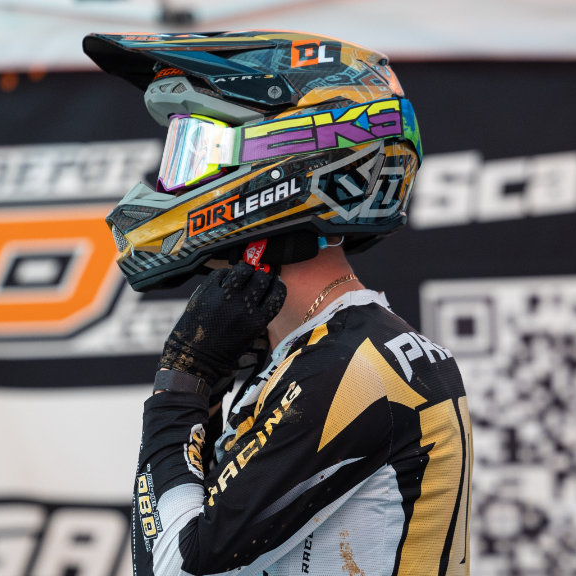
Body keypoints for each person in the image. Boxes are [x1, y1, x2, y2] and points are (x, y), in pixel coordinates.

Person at [84, 30, 472, 575]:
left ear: (286, 159)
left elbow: (171, 565)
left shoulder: (348, 368)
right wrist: (210, 396)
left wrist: (182, 383)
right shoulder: (345, 350)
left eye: (195, 151)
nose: (174, 183)